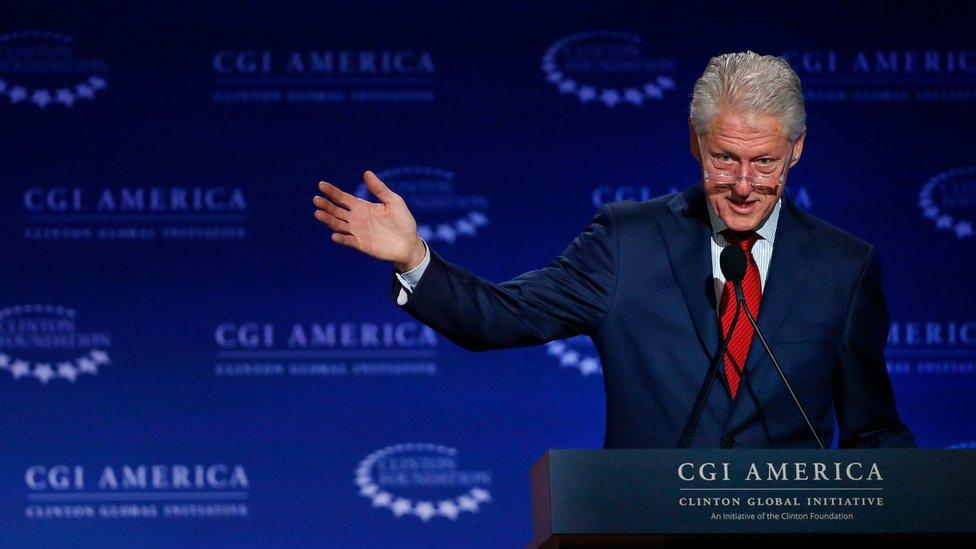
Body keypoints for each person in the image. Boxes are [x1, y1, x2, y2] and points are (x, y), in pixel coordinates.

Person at [312, 51, 915, 449]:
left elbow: (873, 429)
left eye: (764, 163)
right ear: (694, 143)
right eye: (724, 158)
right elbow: (496, 318)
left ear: (797, 151)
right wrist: (414, 257)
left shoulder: (844, 266)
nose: (743, 184)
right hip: (650, 532)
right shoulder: (629, 242)